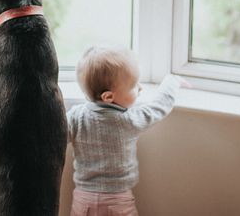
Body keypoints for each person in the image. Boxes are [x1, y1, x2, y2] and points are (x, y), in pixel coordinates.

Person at [66, 46, 190, 216]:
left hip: (83, 200)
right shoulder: (128, 120)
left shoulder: (75, 117)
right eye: (133, 86)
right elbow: (158, 108)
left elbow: (52, 135)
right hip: (117, 202)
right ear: (108, 97)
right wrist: (171, 83)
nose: (140, 88)